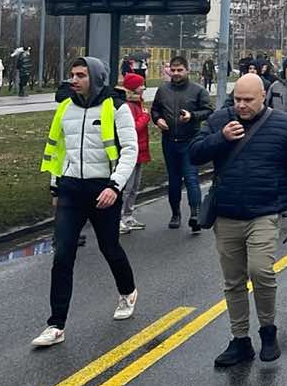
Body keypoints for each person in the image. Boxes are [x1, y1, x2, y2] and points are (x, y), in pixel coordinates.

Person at [190, 73, 287, 367]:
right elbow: (195, 154)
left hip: (266, 212)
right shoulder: (221, 120)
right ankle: (240, 340)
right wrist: (221, 139)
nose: (242, 105)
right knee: (233, 281)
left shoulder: (284, 126)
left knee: (261, 272)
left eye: (248, 100)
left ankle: (268, 330)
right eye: (237, 100)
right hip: (227, 214)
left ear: (263, 97)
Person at [31, 57, 139, 348]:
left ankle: (127, 291)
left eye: (80, 75)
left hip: (104, 188)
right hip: (70, 189)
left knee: (109, 247)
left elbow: (130, 149)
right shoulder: (65, 108)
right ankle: (56, 325)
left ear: (96, 77)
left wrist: (115, 186)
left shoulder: (116, 107)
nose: (74, 80)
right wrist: (56, 186)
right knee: (62, 255)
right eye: (72, 75)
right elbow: (57, 148)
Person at [150, 55, 214, 231]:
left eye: (180, 70)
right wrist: (158, 120)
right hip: (169, 140)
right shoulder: (163, 90)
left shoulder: (198, 90)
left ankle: (196, 215)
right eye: (173, 70)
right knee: (174, 180)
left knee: (192, 178)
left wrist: (192, 116)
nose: (176, 73)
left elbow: (208, 110)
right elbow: (155, 109)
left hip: (190, 140)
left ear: (188, 71)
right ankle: (175, 214)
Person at [117, 73, 151, 233]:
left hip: (140, 150)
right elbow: (133, 128)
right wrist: (145, 117)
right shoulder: (128, 106)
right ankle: (118, 219)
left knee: (135, 187)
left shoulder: (138, 103)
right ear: (133, 88)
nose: (143, 88)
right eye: (140, 85)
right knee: (126, 187)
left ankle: (128, 216)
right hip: (131, 152)